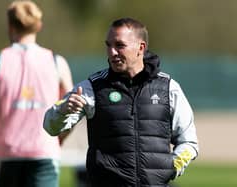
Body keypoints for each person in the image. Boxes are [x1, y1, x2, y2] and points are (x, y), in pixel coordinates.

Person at [43, 17, 199, 187]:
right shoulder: (92, 88)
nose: (112, 52)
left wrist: (171, 167)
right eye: (108, 45)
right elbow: (50, 126)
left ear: (141, 47)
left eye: (119, 45)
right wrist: (63, 110)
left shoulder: (168, 88)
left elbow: (189, 142)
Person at [0, 1, 73, 187]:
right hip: (44, 152)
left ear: (10, 26)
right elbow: (74, 108)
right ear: (39, 26)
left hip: (8, 154)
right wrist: (60, 137)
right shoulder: (57, 62)